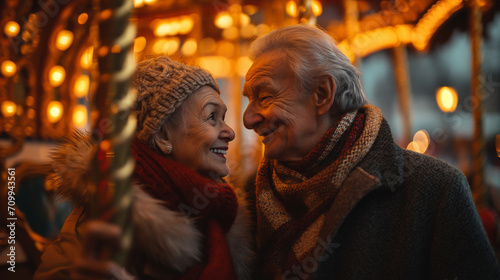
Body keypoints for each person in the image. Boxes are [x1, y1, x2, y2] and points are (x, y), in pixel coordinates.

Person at [242, 24, 500, 280]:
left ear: (322, 94)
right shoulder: (247, 196)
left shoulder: (435, 188)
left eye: (264, 97)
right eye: (249, 100)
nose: (248, 118)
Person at [34, 56, 254, 280]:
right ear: (162, 135)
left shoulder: (221, 205)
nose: (230, 132)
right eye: (211, 117)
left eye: (223, 117)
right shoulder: (106, 215)